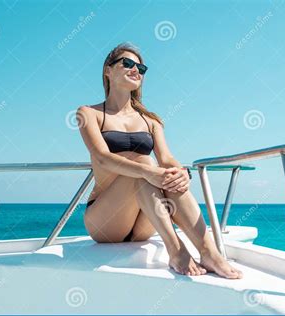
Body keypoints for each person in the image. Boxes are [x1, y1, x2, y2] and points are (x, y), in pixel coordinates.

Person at [77, 42, 243, 279]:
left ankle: (210, 253)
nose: (136, 70)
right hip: (105, 220)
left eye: (141, 68)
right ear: (108, 70)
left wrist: (182, 172)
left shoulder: (150, 120)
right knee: (146, 166)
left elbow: (166, 158)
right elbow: (102, 158)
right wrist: (148, 171)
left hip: (144, 221)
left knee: (170, 174)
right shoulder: (88, 113)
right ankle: (176, 250)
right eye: (128, 63)